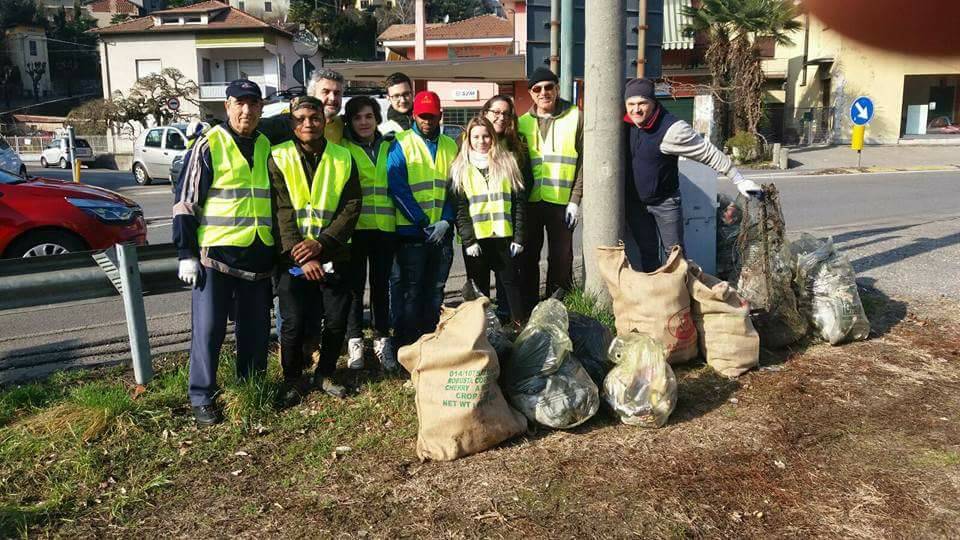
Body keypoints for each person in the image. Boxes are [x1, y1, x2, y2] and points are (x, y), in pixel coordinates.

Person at [173, 79, 275, 426]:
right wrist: (185, 251)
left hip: (257, 252)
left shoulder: (264, 144)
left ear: (261, 108)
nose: (247, 111)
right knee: (209, 329)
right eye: (239, 103)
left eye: (253, 104)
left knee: (256, 329)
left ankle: (251, 388)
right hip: (215, 255)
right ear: (228, 106)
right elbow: (186, 201)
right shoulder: (209, 143)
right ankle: (202, 396)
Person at [269, 96, 362, 401]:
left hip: (334, 253)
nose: (307, 123)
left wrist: (321, 245)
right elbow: (280, 209)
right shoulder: (278, 156)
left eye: (314, 117)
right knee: (293, 323)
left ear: (325, 120)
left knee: (336, 321)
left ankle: (326, 373)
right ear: (291, 122)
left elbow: (351, 206)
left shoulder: (343, 157)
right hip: (292, 258)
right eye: (300, 118)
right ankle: (293, 379)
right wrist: (301, 252)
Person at [622, 78, 763, 271]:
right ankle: (653, 297)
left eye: (642, 103)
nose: (636, 110)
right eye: (631, 104)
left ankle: (681, 296)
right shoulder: (621, 125)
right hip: (636, 204)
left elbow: (708, 153)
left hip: (665, 202)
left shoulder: (672, 130)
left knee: (675, 255)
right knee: (646, 252)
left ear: (653, 102)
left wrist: (738, 179)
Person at [387, 91, 457, 347]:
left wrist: (447, 220)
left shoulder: (451, 145)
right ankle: (405, 346)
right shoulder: (400, 143)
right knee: (411, 293)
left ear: (441, 115)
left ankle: (431, 344)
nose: (427, 121)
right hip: (411, 232)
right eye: (422, 116)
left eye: (432, 116)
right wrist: (421, 222)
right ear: (414, 115)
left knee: (436, 291)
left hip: (442, 231)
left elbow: (456, 188)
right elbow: (397, 187)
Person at [517, 67, 583, 312]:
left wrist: (575, 199)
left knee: (561, 259)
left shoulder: (576, 116)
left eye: (548, 87)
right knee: (527, 257)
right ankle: (527, 310)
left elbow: (584, 162)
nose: (543, 92)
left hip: (562, 203)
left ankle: (557, 308)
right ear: (531, 94)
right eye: (537, 89)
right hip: (531, 203)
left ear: (557, 89)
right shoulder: (521, 123)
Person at [451, 116, 528, 325]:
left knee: (511, 284)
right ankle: (482, 332)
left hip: (504, 236)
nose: (481, 141)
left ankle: (518, 328)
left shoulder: (508, 162)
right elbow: (461, 209)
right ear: (468, 139)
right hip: (477, 240)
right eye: (475, 136)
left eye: (486, 136)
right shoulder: (459, 167)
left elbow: (519, 203)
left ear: (492, 137)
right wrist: (468, 241)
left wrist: (519, 238)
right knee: (479, 291)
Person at [341, 96, 399, 371]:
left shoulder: (390, 145)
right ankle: (354, 342)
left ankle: (381, 340)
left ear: (377, 119)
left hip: (385, 229)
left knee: (381, 288)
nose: (363, 122)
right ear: (349, 122)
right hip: (355, 230)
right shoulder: (343, 148)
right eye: (357, 117)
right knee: (353, 289)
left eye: (368, 116)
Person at [481, 95, 533, 321]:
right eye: (496, 112)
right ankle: (482, 326)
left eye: (506, 113)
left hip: (508, 222)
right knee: (480, 280)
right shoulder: (471, 140)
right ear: (486, 113)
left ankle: (509, 322)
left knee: (508, 278)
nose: (501, 117)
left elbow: (525, 184)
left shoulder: (517, 144)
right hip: (479, 224)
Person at [258, 68, 346, 146]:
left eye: (337, 93)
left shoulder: (344, 125)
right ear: (312, 95)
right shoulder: (286, 121)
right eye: (326, 92)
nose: (333, 98)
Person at [379, 72, 414, 136]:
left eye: (406, 94)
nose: (403, 100)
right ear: (388, 98)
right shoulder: (383, 131)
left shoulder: (428, 121)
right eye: (396, 96)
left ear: (412, 93)